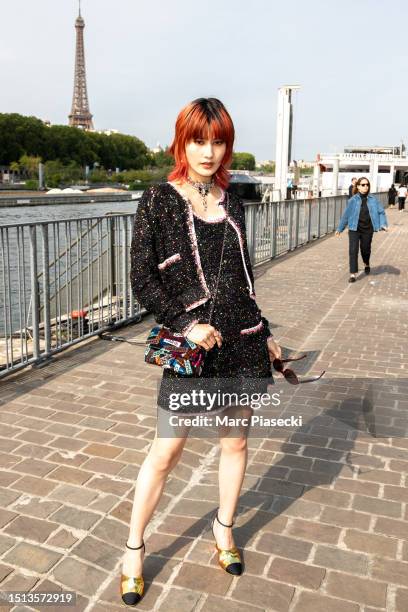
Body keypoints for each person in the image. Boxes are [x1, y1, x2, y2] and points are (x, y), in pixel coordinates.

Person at [122, 98, 281, 606]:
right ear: (181, 141)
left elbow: (242, 275)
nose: (208, 152)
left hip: (241, 341)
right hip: (193, 349)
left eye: (218, 141)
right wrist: (186, 324)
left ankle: (224, 528)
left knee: (235, 444)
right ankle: (133, 550)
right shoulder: (157, 199)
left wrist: (266, 331)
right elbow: (142, 279)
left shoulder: (233, 201)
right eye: (198, 140)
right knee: (166, 451)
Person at [335, 176, 388, 282]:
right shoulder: (353, 200)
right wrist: (339, 229)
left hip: (368, 229)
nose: (365, 187)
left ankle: (366, 263)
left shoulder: (373, 200)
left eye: (367, 185)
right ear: (358, 186)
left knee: (365, 249)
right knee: (353, 250)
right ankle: (353, 274)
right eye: (363, 185)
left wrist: (383, 224)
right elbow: (346, 215)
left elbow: (381, 212)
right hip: (354, 228)